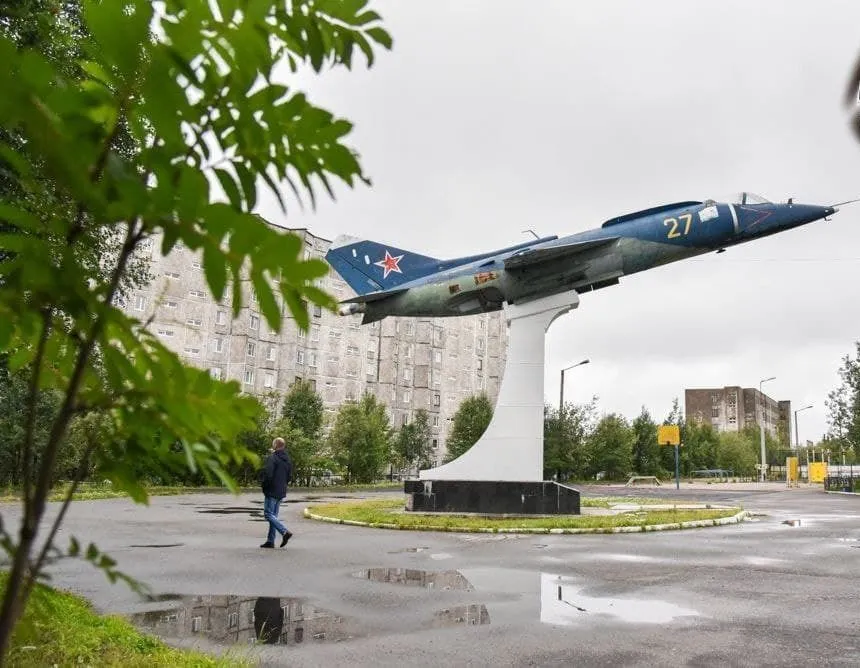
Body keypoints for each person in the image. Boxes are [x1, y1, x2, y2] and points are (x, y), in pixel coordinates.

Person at [259, 436, 293, 549]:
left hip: (272, 490)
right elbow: (289, 476)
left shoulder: (272, 458)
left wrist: (264, 486)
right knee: (274, 516)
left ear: (275, 446)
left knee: (268, 514)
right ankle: (270, 540)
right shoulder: (287, 459)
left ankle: (284, 532)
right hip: (281, 490)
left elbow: (268, 474)